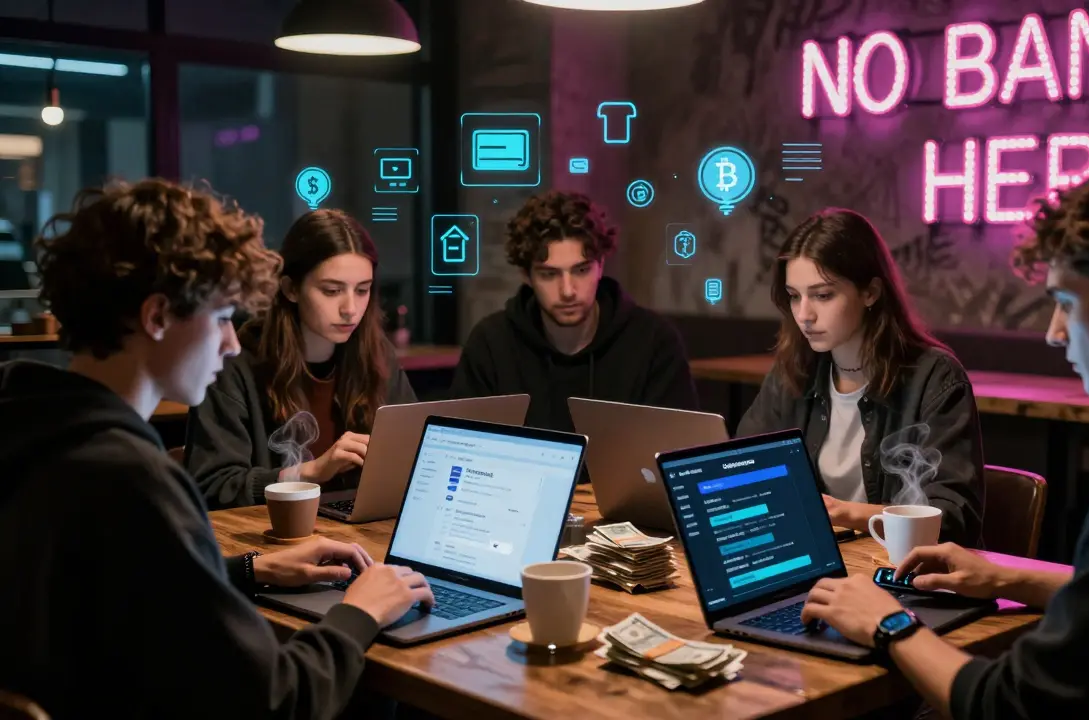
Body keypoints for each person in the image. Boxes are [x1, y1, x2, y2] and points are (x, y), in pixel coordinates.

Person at [799, 159, 1089, 718]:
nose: (1054, 332)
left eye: (1067, 304)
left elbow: (1014, 706)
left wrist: (887, 624)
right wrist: (1008, 575)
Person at [0, 179, 433, 718]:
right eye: (223, 317)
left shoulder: (33, 434)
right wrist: (360, 612)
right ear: (157, 316)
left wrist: (247, 570)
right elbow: (278, 699)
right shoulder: (130, 480)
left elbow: (122, 588)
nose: (231, 342)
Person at [737, 208, 984, 547]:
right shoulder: (794, 371)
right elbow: (743, 473)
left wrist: (840, 513)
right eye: (794, 296)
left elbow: (953, 517)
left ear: (871, 292)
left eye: (823, 295)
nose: (804, 315)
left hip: (908, 575)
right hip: (825, 564)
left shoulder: (935, 378)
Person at [185, 209, 418, 509]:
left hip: (356, 532)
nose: (350, 308)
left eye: (363, 291)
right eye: (331, 290)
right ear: (291, 289)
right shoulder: (236, 363)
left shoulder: (377, 354)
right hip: (268, 541)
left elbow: (415, 452)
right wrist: (308, 473)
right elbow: (212, 486)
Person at [450, 189, 698, 433]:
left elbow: (677, 452)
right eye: (549, 274)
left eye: (581, 270)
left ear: (600, 266)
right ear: (526, 276)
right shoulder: (491, 344)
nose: (568, 290)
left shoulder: (653, 342)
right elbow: (462, 449)